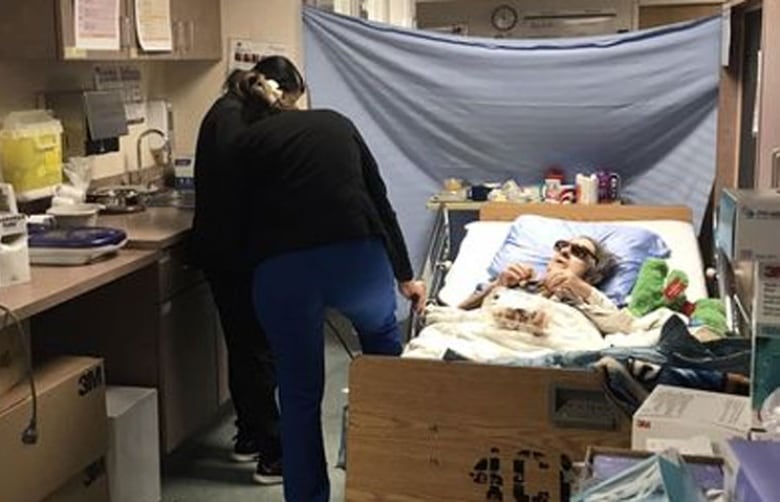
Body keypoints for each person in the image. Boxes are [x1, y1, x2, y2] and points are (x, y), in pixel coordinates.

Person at [234, 58, 426, 501]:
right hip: (358, 262)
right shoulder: (336, 123)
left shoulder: (245, 143)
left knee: (300, 398)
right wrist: (405, 276)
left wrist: (250, 279)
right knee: (383, 372)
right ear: (295, 98)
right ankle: (388, 484)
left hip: (285, 273)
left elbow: (237, 220)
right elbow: (379, 200)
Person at [191, 63, 303, 484]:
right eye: (288, 102)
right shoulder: (236, 119)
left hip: (225, 250)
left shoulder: (225, 111)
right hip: (239, 253)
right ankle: (273, 454)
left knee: (244, 346)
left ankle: (250, 436)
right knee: (257, 349)